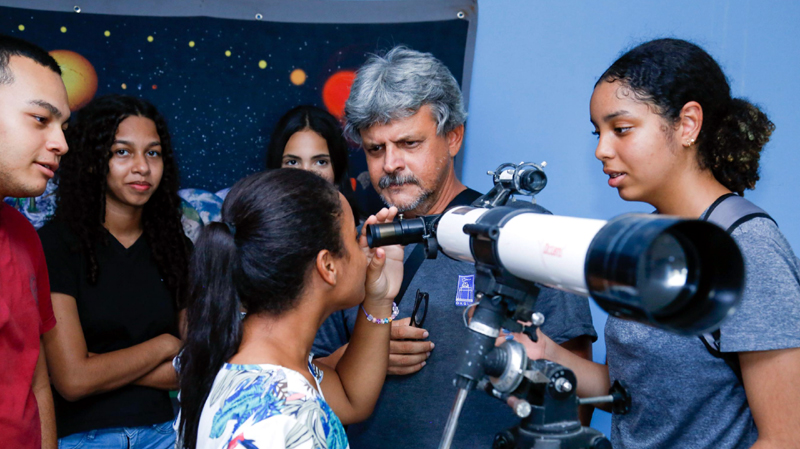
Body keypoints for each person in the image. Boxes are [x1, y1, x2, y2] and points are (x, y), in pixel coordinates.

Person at [513, 38, 800, 449]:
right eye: (598, 132)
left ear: (687, 124)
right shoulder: (642, 238)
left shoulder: (747, 247)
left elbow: (786, 438)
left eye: (621, 129)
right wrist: (547, 355)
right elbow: (629, 394)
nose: (600, 150)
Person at [312, 46, 597, 448]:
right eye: (376, 149)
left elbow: (577, 393)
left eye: (409, 143)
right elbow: (303, 379)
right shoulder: (349, 243)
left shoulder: (523, 235)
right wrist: (364, 353)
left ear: (453, 137)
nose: (391, 163)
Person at [176, 169, 403, 448]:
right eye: (354, 240)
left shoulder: (241, 351)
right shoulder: (287, 417)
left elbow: (350, 398)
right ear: (328, 266)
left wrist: (378, 299)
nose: (364, 250)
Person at [38, 94, 190, 448]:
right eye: (123, 151)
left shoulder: (179, 250)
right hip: (84, 437)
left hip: (164, 434)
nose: (142, 167)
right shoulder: (56, 245)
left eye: (153, 153)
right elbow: (73, 380)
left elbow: (194, 368)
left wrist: (100, 368)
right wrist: (165, 345)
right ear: (94, 161)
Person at [0, 34, 69, 449]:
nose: (61, 143)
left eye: (64, 126)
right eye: (41, 120)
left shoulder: (25, 237)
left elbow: (36, 380)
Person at [266, 105, 361, 221]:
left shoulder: (362, 234)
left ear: (337, 170)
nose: (306, 173)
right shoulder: (255, 234)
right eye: (292, 162)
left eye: (321, 162)